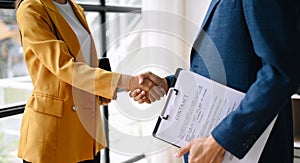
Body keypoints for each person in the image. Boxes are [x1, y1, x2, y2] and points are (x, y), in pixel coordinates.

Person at [131, 0, 300, 162]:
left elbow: (280, 74)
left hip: (249, 151)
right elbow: (230, 67)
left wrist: (220, 142)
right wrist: (169, 84)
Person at [14, 0, 164, 162]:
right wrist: (128, 82)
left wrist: (126, 84)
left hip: (87, 128)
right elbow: (64, 67)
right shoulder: (31, 9)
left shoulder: (75, 8)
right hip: (54, 131)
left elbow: (84, 60)